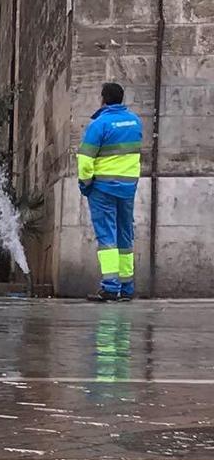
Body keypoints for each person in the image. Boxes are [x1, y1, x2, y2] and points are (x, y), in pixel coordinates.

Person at [77, 83, 142, 302]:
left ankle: (110, 287)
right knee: (125, 234)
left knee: (107, 237)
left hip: (103, 188)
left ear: (103, 99)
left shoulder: (100, 124)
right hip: (128, 188)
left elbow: (85, 161)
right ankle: (127, 287)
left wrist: (85, 185)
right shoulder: (135, 122)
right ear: (122, 99)